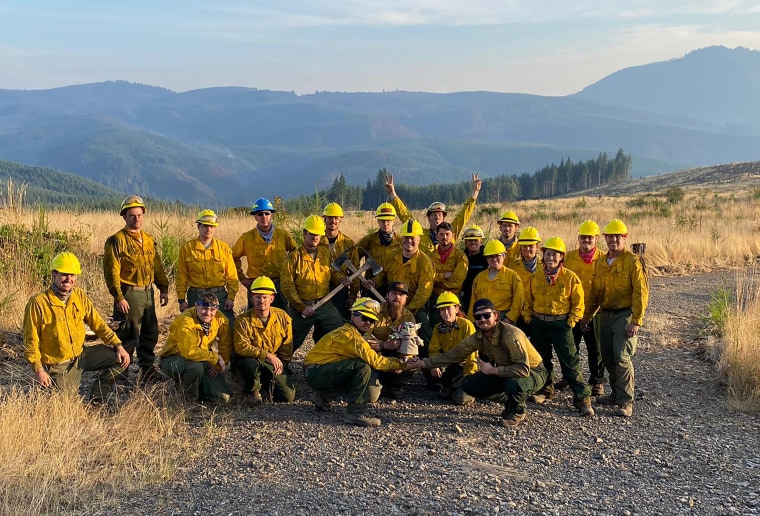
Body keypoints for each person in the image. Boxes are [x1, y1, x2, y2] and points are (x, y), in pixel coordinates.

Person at [409, 299, 547, 427]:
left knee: (514, 384)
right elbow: (453, 355)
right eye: (478, 317)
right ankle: (512, 400)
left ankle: (518, 410)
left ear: (496, 316)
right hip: (504, 371)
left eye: (486, 315)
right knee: (470, 385)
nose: (482, 320)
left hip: (533, 371)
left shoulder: (511, 335)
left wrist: (493, 371)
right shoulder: (477, 337)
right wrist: (423, 363)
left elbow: (523, 369)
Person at [24, 252, 130, 401]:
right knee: (67, 405)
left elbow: (98, 323)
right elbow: (30, 342)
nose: (69, 279)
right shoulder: (38, 303)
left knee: (121, 359)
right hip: (58, 365)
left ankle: (98, 397)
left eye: (72, 275)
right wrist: (39, 370)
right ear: (54, 275)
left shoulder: (79, 295)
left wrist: (118, 345)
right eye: (64, 274)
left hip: (81, 355)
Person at [304, 298, 409, 427]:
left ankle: (323, 398)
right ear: (353, 315)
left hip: (317, 370)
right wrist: (403, 363)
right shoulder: (351, 337)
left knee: (356, 366)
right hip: (316, 372)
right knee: (362, 367)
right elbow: (376, 362)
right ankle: (355, 414)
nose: (367, 323)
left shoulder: (355, 334)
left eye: (371, 320)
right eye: (364, 318)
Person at [583, 219, 649, 417]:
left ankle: (626, 402)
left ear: (624, 238)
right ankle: (614, 394)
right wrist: (587, 316)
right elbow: (595, 293)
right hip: (606, 313)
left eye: (617, 236)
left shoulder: (633, 261)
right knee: (608, 356)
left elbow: (640, 292)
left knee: (621, 357)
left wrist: (636, 320)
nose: (613, 240)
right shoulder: (601, 263)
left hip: (625, 314)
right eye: (610, 236)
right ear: (604, 239)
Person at [523, 237, 594, 416]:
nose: (551, 258)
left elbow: (579, 303)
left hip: (561, 324)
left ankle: (582, 399)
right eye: (548, 254)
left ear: (561, 257)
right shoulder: (536, 276)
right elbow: (527, 301)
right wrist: (529, 319)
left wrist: (571, 321)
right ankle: (545, 391)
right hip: (539, 323)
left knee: (570, 362)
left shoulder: (570, 277)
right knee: (542, 360)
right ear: (543, 256)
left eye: (555, 254)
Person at [103, 195, 169, 385]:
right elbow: (111, 272)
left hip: (148, 292)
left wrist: (163, 288)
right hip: (129, 293)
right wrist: (119, 297)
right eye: (132, 215)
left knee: (150, 333)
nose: (136, 219)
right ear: (124, 216)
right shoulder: (116, 241)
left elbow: (156, 266)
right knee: (128, 335)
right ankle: (120, 374)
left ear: (144, 215)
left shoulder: (148, 239)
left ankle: (147, 371)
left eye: (139, 215)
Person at [280, 215, 344, 351]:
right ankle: (281, 365)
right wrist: (301, 307)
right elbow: (287, 286)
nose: (315, 238)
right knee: (291, 340)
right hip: (303, 306)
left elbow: (332, 272)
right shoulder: (293, 258)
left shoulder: (325, 253)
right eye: (312, 234)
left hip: (325, 304)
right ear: (304, 233)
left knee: (340, 331)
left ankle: (326, 361)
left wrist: (340, 279)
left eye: (318, 235)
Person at [370, 220, 435, 345]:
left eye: (412, 238)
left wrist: (408, 310)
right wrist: (374, 283)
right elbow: (382, 274)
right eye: (406, 237)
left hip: (413, 306)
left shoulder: (425, 263)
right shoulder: (391, 255)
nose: (409, 241)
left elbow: (424, 291)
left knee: (423, 331)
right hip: (389, 303)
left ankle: (425, 360)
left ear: (419, 239)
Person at [159, 292, 232, 404]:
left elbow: (226, 344)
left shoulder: (219, 319)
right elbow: (189, 351)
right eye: (204, 308)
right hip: (175, 359)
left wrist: (216, 366)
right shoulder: (185, 321)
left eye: (212, 310)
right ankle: (188, 399)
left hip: (202, 358)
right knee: (195, 368)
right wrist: (215, 358)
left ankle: (197, 388)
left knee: (222, 398)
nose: (208, 313)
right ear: (196, 306)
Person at [232, 276, 295, 405]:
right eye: (258, 297)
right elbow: (241, 347)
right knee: (249, 364)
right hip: (252, 361)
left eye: (265, 297)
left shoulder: (283, 317)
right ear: (252, 298)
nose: (261, 300)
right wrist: (266, 355)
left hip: (272, 363)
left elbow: (287, 345)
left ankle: (266, 383)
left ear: (272, 298)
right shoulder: (242, 320)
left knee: (287, 396)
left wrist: (283, 364)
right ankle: (252, 391)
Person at [385, 173, 482, 256]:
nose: (437, 217)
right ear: (428, 217)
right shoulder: (420, 234)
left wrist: (475, 193)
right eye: (433, 214)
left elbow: (463, 215)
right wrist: (393, 194)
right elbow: (405, 216)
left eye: (440, 215)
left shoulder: (451, 233)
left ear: (444, 218)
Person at [564, 220, 606, 396]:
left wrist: (592, 313)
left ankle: (597, 381)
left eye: (590, 237)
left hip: (595, 311)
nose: (586, 240)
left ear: (596, 238)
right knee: (569, 347)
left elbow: (605, 288)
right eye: (583, 237)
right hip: (573, 311)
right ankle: (570, 377)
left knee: (595, 348)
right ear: (578, 238)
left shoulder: (603, 259)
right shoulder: (568, 258)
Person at [232, 197, 297, 310]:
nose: (264, 217)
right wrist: (242, 279)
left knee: (281, 317)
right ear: (255, 217)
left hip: (279, 285)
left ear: (272, 215)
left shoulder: (283, 235)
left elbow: (296, 254)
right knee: (255, 320)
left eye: (267, 213)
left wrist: (290, 275)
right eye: (260, 214)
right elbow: (233, 257)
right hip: (257, 286)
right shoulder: (246, 238)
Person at [176, 209, 239, 322]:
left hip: (219, 295)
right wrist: (181, 299)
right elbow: (182, 275)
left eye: (212, 226)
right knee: (194, 328)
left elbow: (232, 275)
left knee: (228, 326)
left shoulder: (223, 248)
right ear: (198, 226)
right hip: (196, 296)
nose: (208, 229)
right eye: (205, 226)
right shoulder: (187, 248)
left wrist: (231, 297)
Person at [368, 281, 418, 399]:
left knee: (414, 363)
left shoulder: (409, 316)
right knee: (371, 397)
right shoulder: (375, 312)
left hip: (396, 356)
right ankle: (375, 382)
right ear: (387, 295)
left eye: (401, 295)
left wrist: (404, 360)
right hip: (374, 357)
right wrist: (383, 345)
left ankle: (395, 385)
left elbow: (413, 344)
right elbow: (364, 337)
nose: (397, 297)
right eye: (394, 293)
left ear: (406, 298)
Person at [428, 292, 477, 405]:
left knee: (461, 399)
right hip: (449, 364)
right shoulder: (437, 328)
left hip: (464, 366)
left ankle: (459, 388)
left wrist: (468, 377)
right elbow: (433, 349)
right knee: (427, 365)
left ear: (456, 308)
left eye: (448, 308)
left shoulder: (466, 325)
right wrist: (435, 365)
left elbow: (472, 354)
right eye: (442, 309)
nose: (445, 313)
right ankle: (447, 386)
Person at [468, 239, 523, 325]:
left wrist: (510, 318)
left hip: (504, 318)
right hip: (483, 318)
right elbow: (473, 301)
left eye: (497, 256)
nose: (494, 259)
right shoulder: (479, 278)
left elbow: (518, 301)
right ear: (486, 259)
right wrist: (473, 321)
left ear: (504, 256)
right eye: (490, 256)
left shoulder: (512, 276)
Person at [320, 202, 358, 319]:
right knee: (322, 325)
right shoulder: (316, 241)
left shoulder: (348, 243)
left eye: (336, 218)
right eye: (330, 217)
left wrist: (352, 296)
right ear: (324, 219)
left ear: (340, 220)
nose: (333, 221)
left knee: (341, 321)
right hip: (321, 289)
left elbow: (355, 272)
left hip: (341, 290)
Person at [427, 222, 468, 330]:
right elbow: (428, 278)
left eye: (447, 234)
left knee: (458, 327)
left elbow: (457, 282)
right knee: (436, 328)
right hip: (435, 297)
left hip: (454, 297)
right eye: (441, 234)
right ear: (436, 236)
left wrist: (437, 280)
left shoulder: (460, 257)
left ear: (453, 235)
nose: (444, 237)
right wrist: (444, 276)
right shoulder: (430, 257)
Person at [356, 202, 401, 292]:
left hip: (393, 289)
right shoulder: (368, 240)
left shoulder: (401, 242)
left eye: (389, 221)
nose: (386, 224)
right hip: (371, 288)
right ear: (378, 221)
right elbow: (354, 258)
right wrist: (359, 280)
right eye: (382, 221)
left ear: (394, 221)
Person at [507, 226, 542, 335]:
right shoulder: (513, 266)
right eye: (524, 246)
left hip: (539, 313)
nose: (527, 249)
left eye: (530, 246)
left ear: (537, 247)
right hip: (519, 314)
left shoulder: (546, 266)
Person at [460, 225, 488, 312]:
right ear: (465, 242)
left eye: (476, 240)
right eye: (469, 240)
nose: (473, 243)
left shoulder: (488, 257)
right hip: (466, 297)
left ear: (481, 241)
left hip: (484, 296)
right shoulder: (461, 258)